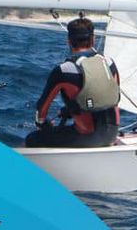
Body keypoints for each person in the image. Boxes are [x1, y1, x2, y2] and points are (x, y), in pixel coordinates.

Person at [24, 16, 121, 150]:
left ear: (69, 41)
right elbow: (108, 96)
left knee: (32, 139)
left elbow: (42, 108)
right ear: (93, 39)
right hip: (112, 135)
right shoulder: (109, 63)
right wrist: (72, 109)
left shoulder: (64, 70)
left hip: (88, 138)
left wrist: (42, 124)